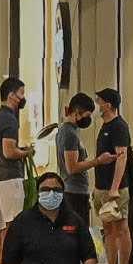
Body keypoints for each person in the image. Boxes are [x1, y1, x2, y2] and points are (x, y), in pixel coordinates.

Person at [93, 88, 132, 264]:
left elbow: (122, 157)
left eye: (100, 100)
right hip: (101, 186)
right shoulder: (105, 126)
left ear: (108, 104)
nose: (97, 104)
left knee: (121, 228)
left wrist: (114, 188)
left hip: (115, 189)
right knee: (108, 229)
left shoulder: (119, 127)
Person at [54, 93, 105, 234]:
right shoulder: (69, 133)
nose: (88, 119)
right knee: (77, 235)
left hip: (76, 191)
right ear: (77, 112)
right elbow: (72, 167)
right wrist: (97, 161)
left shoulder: (71, 131)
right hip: (74, 194)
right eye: (87, 115)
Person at [0, 77, 35, 220]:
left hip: (1, 179)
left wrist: (19, 149)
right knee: (10, 227)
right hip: (10, 181)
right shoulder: (9, 118)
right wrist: (27, 152)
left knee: (2, 226)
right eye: (21, 93)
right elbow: (9, 152)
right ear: (11, 95)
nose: (23, 97)